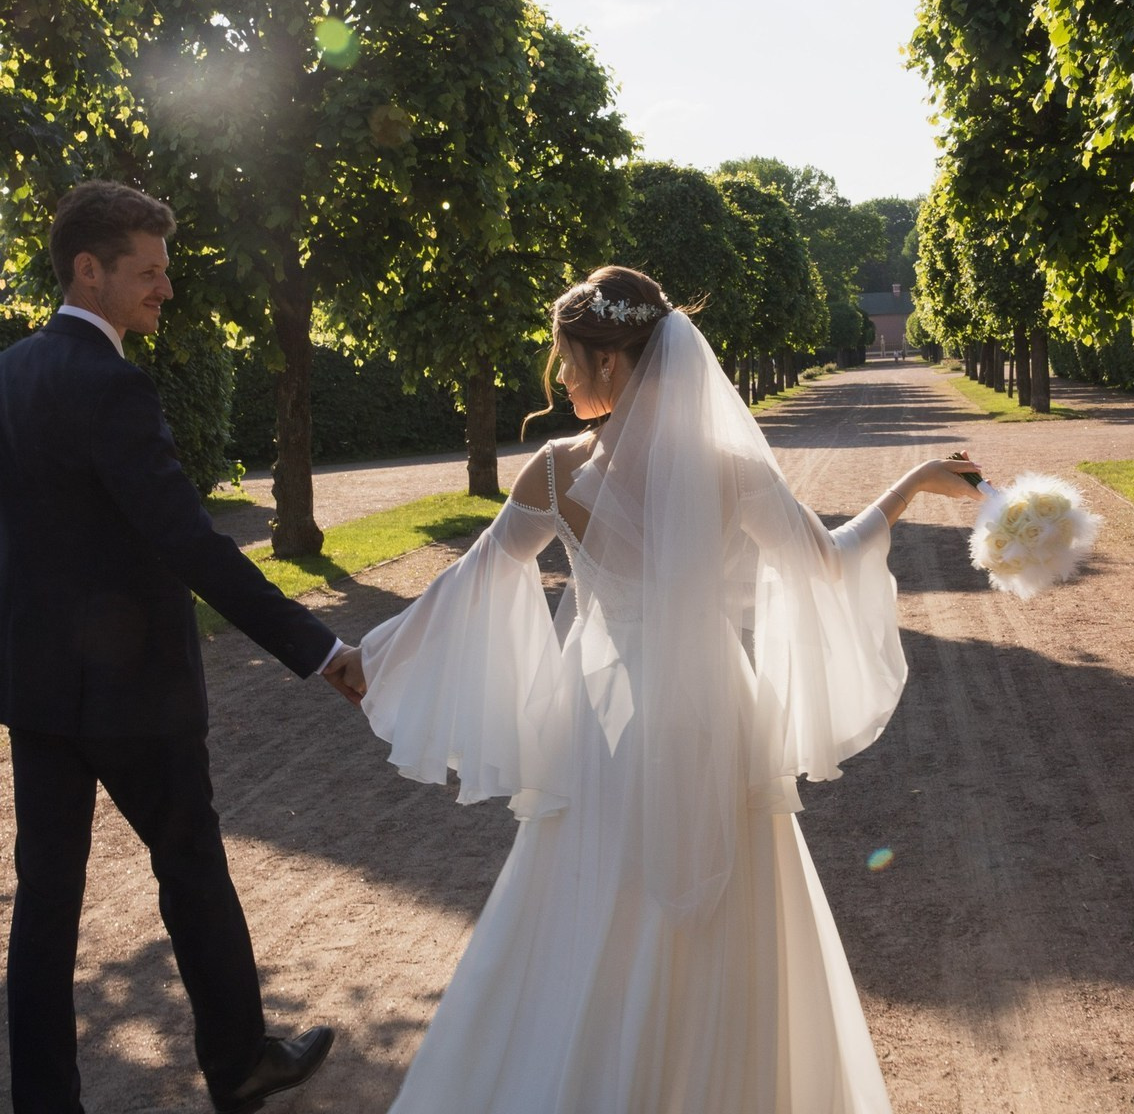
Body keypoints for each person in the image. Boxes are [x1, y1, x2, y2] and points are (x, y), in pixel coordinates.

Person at [344, 266, 982, 1113]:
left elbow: (471, 583)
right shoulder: (730, 470)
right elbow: (828, 562)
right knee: (726, 924)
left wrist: (372, 657)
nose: (559, 374)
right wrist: (915, 482)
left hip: (603, 726)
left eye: (567, 357)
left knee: (589, 909)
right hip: (716, 718)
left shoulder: (555, 472)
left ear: (610, 362)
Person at [0, 181, 365, 1114]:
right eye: (150, 271)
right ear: (90, 271)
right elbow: (189, 543)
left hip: (35, 690)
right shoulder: (113, 385)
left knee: (44, 902)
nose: (166, 288)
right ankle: (239, 1065)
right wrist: (319, 648)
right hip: (137, 695)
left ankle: (44, 1100)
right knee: (192, 870)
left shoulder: (9, 373)